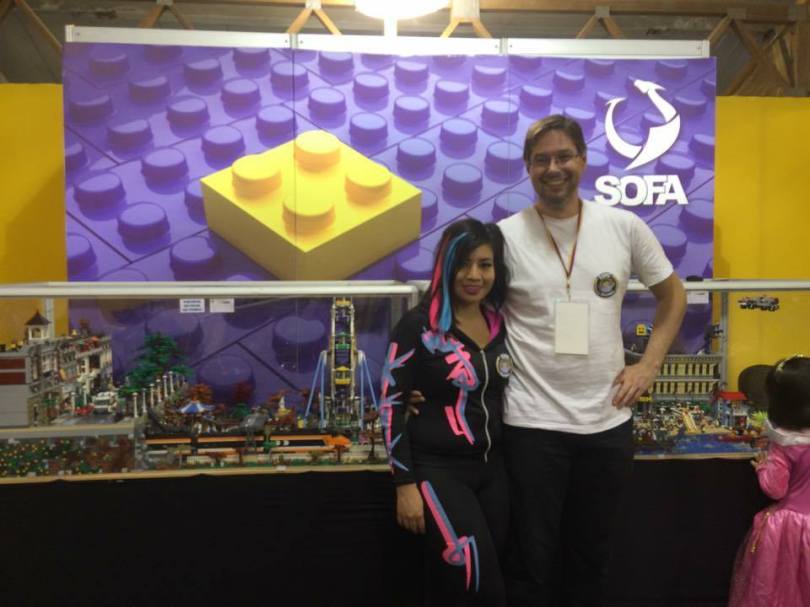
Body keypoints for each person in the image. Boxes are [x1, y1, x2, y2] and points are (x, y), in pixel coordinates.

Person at [498, 115, 687, 606]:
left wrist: (648, 366)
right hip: (531, 424)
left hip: (606, 423)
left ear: (582, 160)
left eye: (564, 156)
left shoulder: (623, 226)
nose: (553, 168)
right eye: (541, 160)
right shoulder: (503, 238)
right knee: (530, 560)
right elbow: (469, 312)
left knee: (590, 557)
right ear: (528, 167)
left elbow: (673, 296)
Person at [381, 218, 512, 606]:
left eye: (484, 264)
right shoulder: (418, 327)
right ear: (445, 266)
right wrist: (405, 484)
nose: (474, 275)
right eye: (463, 264)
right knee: (480, 587)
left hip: (494, 472)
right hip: (439, 472)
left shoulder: (499, 323)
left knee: (465, 585)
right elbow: (390, 405)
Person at [728, 355, 810, 607]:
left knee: (784, 589)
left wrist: (763, 466)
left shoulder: (785, 442)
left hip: (792, 528)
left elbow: (775, 489)